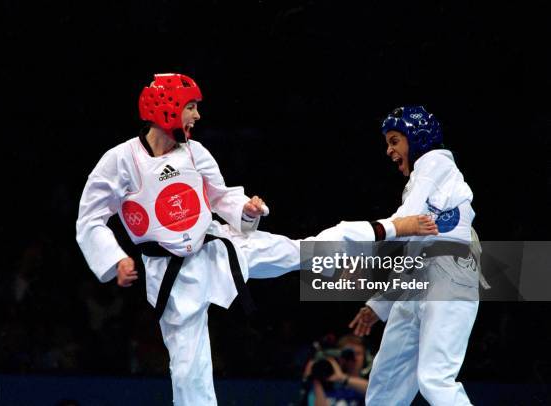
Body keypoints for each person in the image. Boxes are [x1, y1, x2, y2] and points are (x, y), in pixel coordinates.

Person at [76, 74, 437, 405]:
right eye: (191, 106)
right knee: (188, 371)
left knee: (301, 251)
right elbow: (90, 218)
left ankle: (385, 233)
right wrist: (115, 258)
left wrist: (246, 209)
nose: (197, 116)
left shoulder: (194, 152)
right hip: (172, 275)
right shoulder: (120, 161)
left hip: (220, 246)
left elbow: (220, 197)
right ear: (166, 108)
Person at [349, 106, 480, 405]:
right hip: (419, 279)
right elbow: (413, 249)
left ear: (417, 138)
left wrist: (359, 240)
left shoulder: (435, 165)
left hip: (450, 274)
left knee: (435, 380)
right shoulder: (425, 180)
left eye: (395, 141)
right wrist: (379, 304)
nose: (389, 150)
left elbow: (404, 223)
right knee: (385, 384)